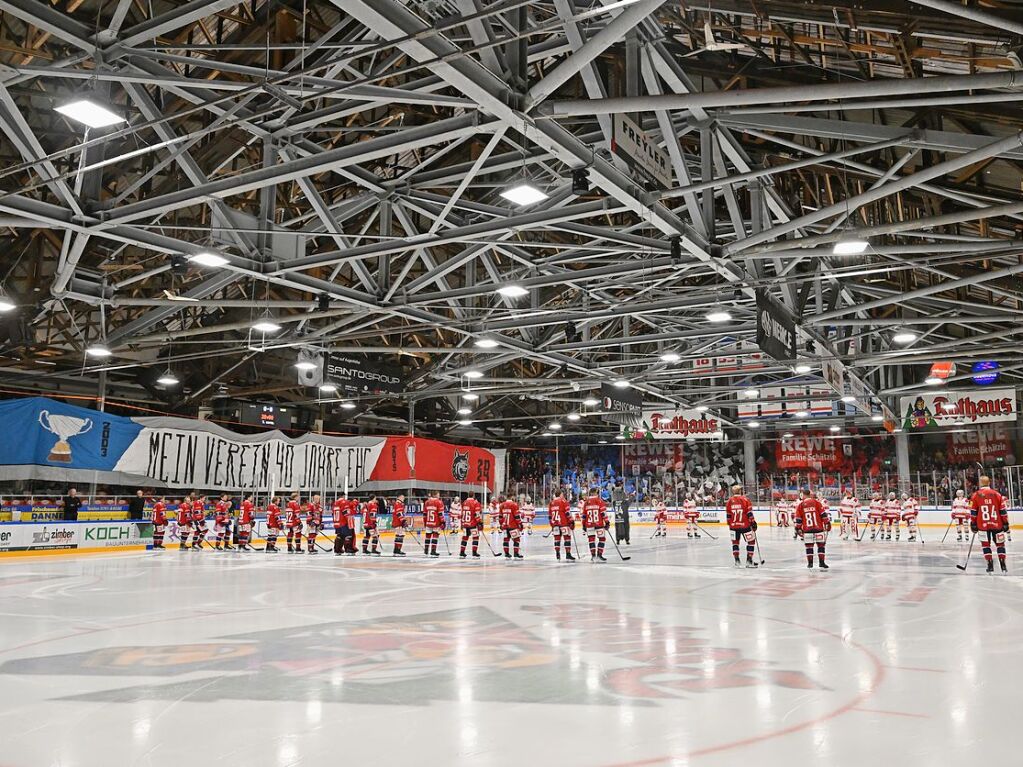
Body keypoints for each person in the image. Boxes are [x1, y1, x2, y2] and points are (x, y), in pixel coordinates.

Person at [970, 475, 1010, 573]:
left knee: (986, 545)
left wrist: (973, 523)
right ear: (989, 483)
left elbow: (973, 511)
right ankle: (1003, 564)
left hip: (982, 525)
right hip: (997, 524)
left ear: (980, 483)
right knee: (1000, 544)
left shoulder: (976, 495)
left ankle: (990, 565)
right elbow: (1003, 510)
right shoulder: (997, 494)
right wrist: (1005, 522)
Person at [794, 489, 831, 569]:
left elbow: (798, 519)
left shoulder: (800, 505)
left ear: (803, 495)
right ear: (810, 494)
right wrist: (827, 523)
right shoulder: (817, 503)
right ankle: (822, 563)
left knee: (809, 546)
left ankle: (810, 563)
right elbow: (823, 514)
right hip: (819, 528)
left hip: (807, 529)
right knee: (821, 546)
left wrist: (798, 528)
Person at [724, 485, 758, 568]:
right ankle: (749, 561)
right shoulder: (745, 500)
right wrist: (753, 522)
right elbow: (749, 513)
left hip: (733, 526)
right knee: (751, 542)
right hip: (745, 525)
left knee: (735, 543)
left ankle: (737, 561)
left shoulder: (729, 501)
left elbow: (728, 515)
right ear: (741, 491)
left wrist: (730, 524)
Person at [548, 490, 575, 561]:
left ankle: (557, 554)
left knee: (557, 539)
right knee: (567, 538)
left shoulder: (551, 503)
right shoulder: (563, 501)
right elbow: (567, 513)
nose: (563, 495)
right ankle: (568, 554)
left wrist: (552, 524)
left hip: (555, 524)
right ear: (560, 494)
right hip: (564, 523)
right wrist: (571, 521)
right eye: (562, 494)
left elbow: (550, 516)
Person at [582, 489, 609, 562]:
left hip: (589, 524)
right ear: (595, 493)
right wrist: (607, 522)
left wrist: (583, 525)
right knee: (602, 539)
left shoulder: (586, 502)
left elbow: (584, 515)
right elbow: (603, 513)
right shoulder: (600, 501)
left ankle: (593, 556)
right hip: (599, 523)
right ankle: (599, 555)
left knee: (591, 540)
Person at [499, 494, 524, 559]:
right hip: (513, 526)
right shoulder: (514, 504)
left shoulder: (502, 505)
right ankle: (516, 553)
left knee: (506, 540)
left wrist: (501, 524)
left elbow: (500, 517)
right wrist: (520, 523)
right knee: (516, 539)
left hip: (505, 526)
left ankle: (506, 554)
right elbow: (517, 516)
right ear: (512, 497)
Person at [459, 494, 483, 559]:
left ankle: (461, 552)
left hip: (465, 524)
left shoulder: (464, 502)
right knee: (475, 537)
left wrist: (462, 523)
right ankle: (474, 552)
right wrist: (480, 522)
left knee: (464, 538)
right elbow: (476, 514)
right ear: (473, 496)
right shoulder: (476, 503)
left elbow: (461, 513)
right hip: (473, 524)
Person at [423, 491, 445, 557]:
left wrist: (425, 522)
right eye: (438, 494)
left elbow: (424, 514)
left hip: (428, 522)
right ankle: (433, 551)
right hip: (436, 523)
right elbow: (440, 513)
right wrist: (443, 522)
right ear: (435, 495)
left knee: (428, 536)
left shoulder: (426, 502)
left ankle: (426, 550)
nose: (439, 496)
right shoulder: (439, 502)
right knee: (435, 536)